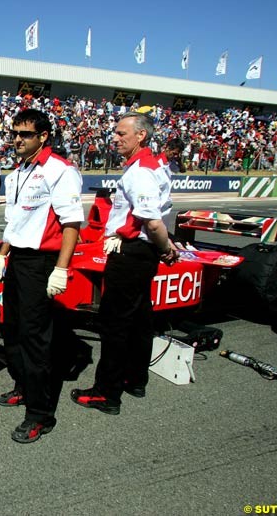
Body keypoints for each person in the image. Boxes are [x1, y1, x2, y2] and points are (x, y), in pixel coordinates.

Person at [70, 112, 177, 416]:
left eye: (120, 133)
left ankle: (107, 393)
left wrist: (166, 246)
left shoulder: (141, 170)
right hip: (141, 253)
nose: (114, 138)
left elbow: (153, 222)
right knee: (140, 317)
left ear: (140, 135)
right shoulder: (154, 165)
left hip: (131, 252)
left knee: (114, 324)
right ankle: (135, 379)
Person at [0, 109, 84, 444]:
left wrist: (61, 268)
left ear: (43, 136)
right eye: (15, 132)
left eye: (25, 134)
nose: (17, 138)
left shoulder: (60, 170)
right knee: (12, 331)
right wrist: (3, 255)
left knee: (35, 339)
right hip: (18, 259)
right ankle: (22, 386)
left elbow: (72, 223)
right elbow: (14, 222)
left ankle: (40, 414)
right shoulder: (18, 172)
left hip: (42, 262)